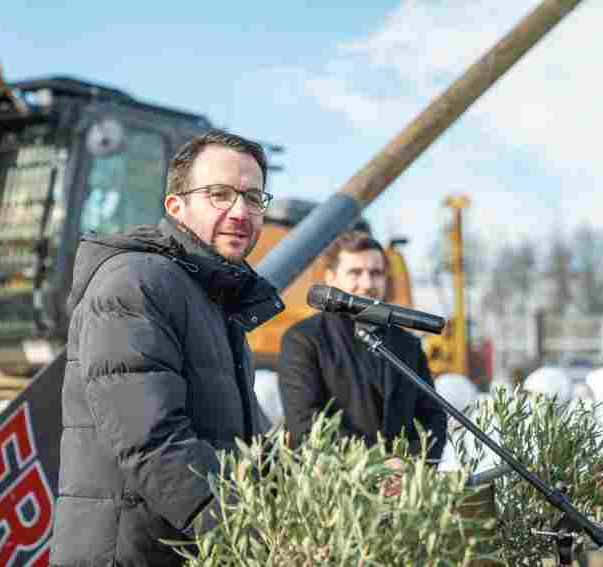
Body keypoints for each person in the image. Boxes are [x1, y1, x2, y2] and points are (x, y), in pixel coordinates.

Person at [51, 131, 284, 567]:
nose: (240, 212)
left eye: (253, 198)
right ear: (176, 207)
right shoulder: (136, 283)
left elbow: (250, 442)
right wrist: (251, 537)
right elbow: (154, 442)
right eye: (220, 194)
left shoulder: (211, 300)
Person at [278, 231, 447, 460]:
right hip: (333, 478)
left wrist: (407, 463)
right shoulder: (303, 339)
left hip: (404, 479)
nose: (367, 284)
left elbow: (433, 418)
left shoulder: (408, 345)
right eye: (355, 273)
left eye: (376, 273)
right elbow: (304, 422)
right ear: (330, 278)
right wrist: (378, 464)